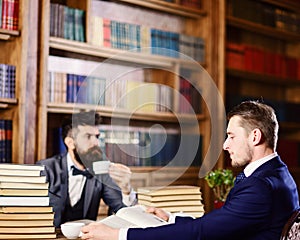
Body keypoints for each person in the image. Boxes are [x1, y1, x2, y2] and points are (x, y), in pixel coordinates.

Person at [80, 100, 300, 240]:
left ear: (255, 137)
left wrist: (118, 234)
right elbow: (222, 224)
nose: (225, 145)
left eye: (231, 136)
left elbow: (202, 233)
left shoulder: (260, 186)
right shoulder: (279, 174)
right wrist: (171, 218)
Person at [36, 111, 136, 227]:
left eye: (97, 137)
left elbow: (122, 211)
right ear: (70, 142)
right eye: (88, 137)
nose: (96, 143)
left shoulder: (101, 172)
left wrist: (126, 189)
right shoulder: (45, 169)